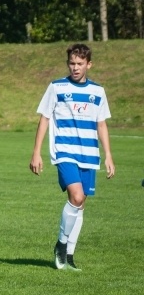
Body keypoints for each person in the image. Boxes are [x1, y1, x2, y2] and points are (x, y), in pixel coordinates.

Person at [29, 43, 115, 271]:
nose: (75, 68)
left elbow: (101, 124)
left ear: (89, 64)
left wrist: (108, 156)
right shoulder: (56, 87)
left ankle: (69, 255)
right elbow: (45, 118)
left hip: (89, 154)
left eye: (79, 64)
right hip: (65, 151)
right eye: (71, 63)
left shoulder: (98, 91)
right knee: (76, 197)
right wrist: (36, 152)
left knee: (81, 204)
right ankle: (60, 244)